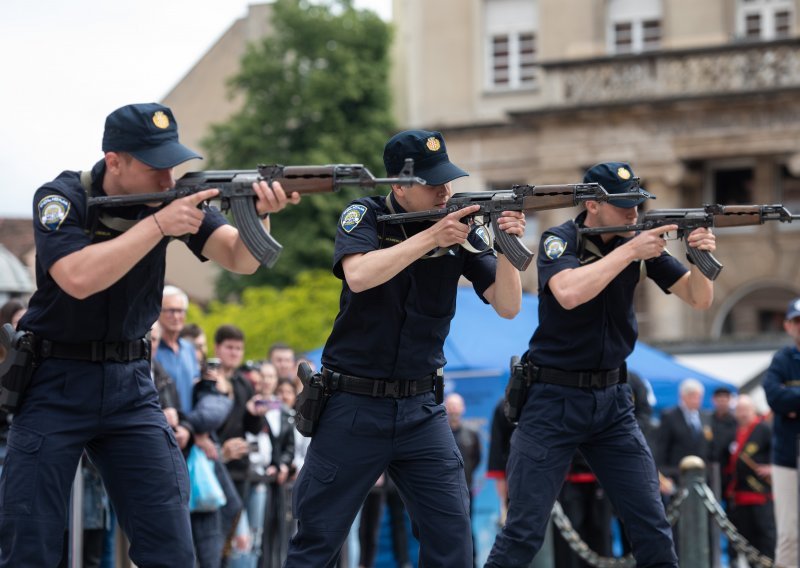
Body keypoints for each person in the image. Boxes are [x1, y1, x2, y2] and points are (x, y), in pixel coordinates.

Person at [0, 102, 298, 567]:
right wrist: (158, 224)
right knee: (30, 541)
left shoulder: (173, 199)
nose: (167, 178)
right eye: (154, 165)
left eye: (172, 164)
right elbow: (75, 278)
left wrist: (257, 213)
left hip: (130, 385)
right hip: (54, 379)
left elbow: (240, 258)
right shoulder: (62, 197)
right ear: (115, 160)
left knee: (170, 544)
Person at [284, 129, 525, 567]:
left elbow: (508, 306)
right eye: (432, 183)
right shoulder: (366, 214)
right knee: (316, 538)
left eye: (446, 180)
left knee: (452, 538)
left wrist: (507, 246)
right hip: (352, 404)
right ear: (398, 185)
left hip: (421, 408)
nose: (444, 190)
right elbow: (358, 274)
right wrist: (432, 237)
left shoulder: (461, 228)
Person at [485, 161, 715, 568]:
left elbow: (698, 299)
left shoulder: (637, 240)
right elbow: (569, 291)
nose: (633, 213)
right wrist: (631, 251)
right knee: (524, 530)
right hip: (552, 399)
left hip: (612, 400)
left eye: (636, 205)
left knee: (652, 524)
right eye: (623, 205)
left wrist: (699, 256)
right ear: (591, 204)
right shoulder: (562, 239)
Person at [763, 297, 800, 568]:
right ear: (787, 326)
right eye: (797, 322)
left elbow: (784, 399)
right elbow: (774, 397)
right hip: (787, 458)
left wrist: (793, 400)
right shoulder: (781, 359)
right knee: (788, 532)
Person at [724, 394, 775, 562]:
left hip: (761, 493)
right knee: (746, 538)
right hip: (739, 495)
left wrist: (772, 468)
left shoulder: (763, 429)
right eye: (739, 410)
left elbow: (780, 451)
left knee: (765, 535)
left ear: (753, 410)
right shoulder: (733, 432)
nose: (742, 413)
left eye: (745, 409)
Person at [445, 392, 482, 566]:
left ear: (463, 408)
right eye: (450, 405)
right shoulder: (440, 435)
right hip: (443, 492)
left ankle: (471, 562)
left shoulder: (472, 433)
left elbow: (476, 459)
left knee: (467, 527)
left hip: (466, 490)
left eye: (456, 405)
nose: (453, 409)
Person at [655, 378, 713, 483]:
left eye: (698, 397)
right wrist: (664, 474)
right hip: (677, 473)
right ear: (683, 396)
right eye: (692, 396)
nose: (696, 400)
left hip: (701, 473)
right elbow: (662, 447)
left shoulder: (706, 416)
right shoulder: (670, 416)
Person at [156, 285, 201, 414]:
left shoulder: (189, 349)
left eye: (180, 311)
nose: (176, 316)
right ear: (158, 311)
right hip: (163, 423)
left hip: (188, 427)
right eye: (170, 311)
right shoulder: (152, 348)